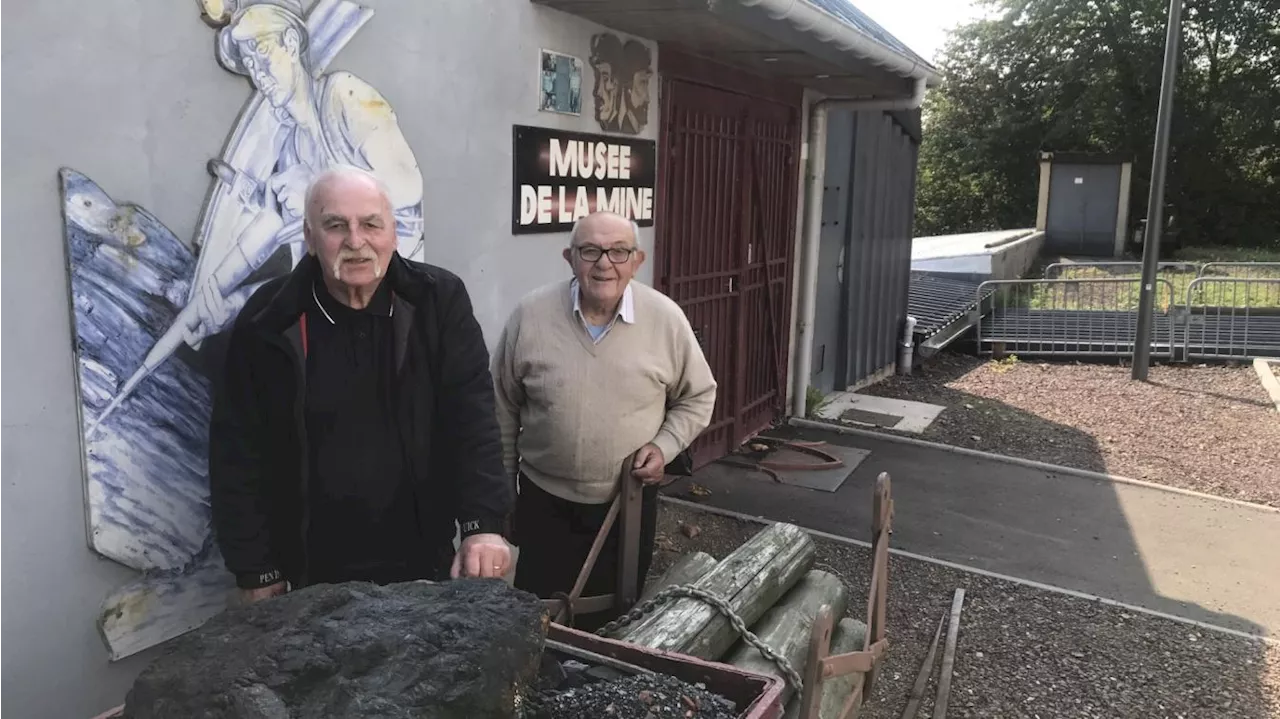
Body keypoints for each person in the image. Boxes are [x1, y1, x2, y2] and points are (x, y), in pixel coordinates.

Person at [209, 165, 511, 603]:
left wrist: (482, 526)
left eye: (371, 224)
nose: (356, 241)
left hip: (423, 559)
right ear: (310, 239)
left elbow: (472, 418)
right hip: (310, 572)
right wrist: (256, 569)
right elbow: (237, 449)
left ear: (394, 233)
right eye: (336, 226)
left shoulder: (437, 301)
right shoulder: (268, 318)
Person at [491, 211, 717, 630]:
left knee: (618, 618)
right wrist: (504, 488)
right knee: (537, 618)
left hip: (626, 507)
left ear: (637, 260)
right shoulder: (531, 315)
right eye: (590, 250)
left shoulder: (665, 319)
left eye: (618, 252)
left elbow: (699, 396)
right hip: (544, 502)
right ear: (570, 258)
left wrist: (664, 447)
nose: (604, 263)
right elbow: (502, 406)